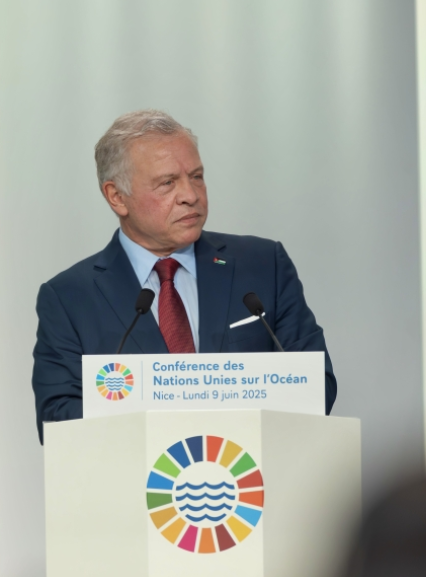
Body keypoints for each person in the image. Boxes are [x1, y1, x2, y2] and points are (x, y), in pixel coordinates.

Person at [31, 109, 336, 442]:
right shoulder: (69, 298)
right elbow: (58, 420)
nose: (191, 195)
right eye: (167, 183)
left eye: (197, 176)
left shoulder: (264, 265)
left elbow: (316, 384)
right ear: (117, 197)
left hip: (250, 467)